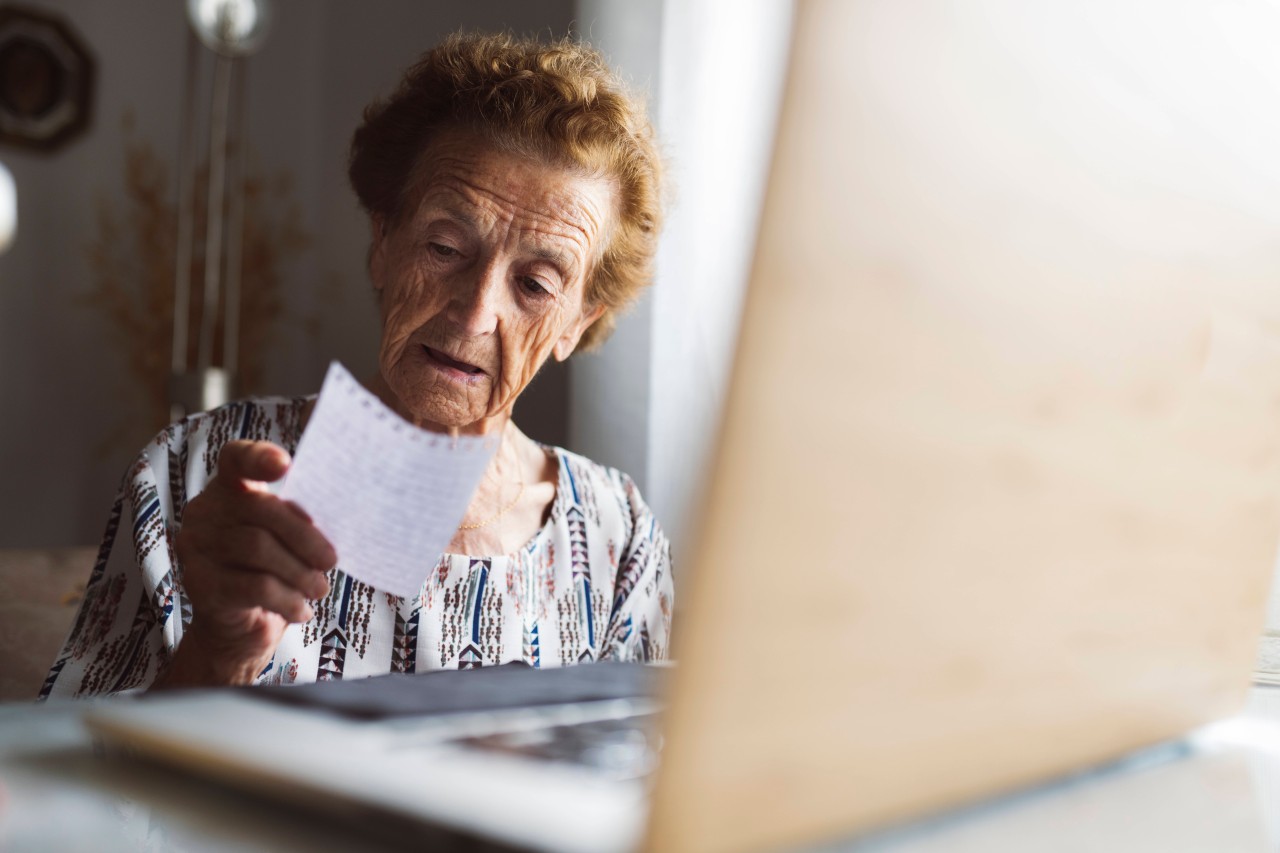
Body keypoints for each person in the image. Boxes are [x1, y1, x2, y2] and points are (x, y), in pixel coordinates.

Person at [40, 32, 672, 698]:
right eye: (446, 246)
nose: (473, 313)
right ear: (383, 242)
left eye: (536, 285)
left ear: (578, 322)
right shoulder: (190, 472)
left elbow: (648, 785)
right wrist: (219, 652)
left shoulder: (616, 537)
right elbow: (75, 780)